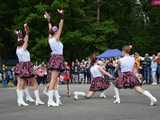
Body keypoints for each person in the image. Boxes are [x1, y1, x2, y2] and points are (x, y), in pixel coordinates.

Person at [14, 23, 44, 106]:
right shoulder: (23, 49)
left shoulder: (18, 49)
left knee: (21, 84)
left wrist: (19, 33)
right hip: (26, 66)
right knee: (30, 83)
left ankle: (20, 100)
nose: (25, 42)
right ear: (22, 43)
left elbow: (20, 39)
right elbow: (26, 39)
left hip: (21, 65)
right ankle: (33, 100)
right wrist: (26, 31)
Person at [44, 9, 64, 107]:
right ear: (55, 33)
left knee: (55, 80)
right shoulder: (55, 38)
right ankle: (50, 100)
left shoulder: (50, 38)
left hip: (55, 58)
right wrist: (62, 16)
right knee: (53, 80)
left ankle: (56, 99)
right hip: (57, 58)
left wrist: (49, 20)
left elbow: (51, 28)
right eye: (57, 31)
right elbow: (60, 27)